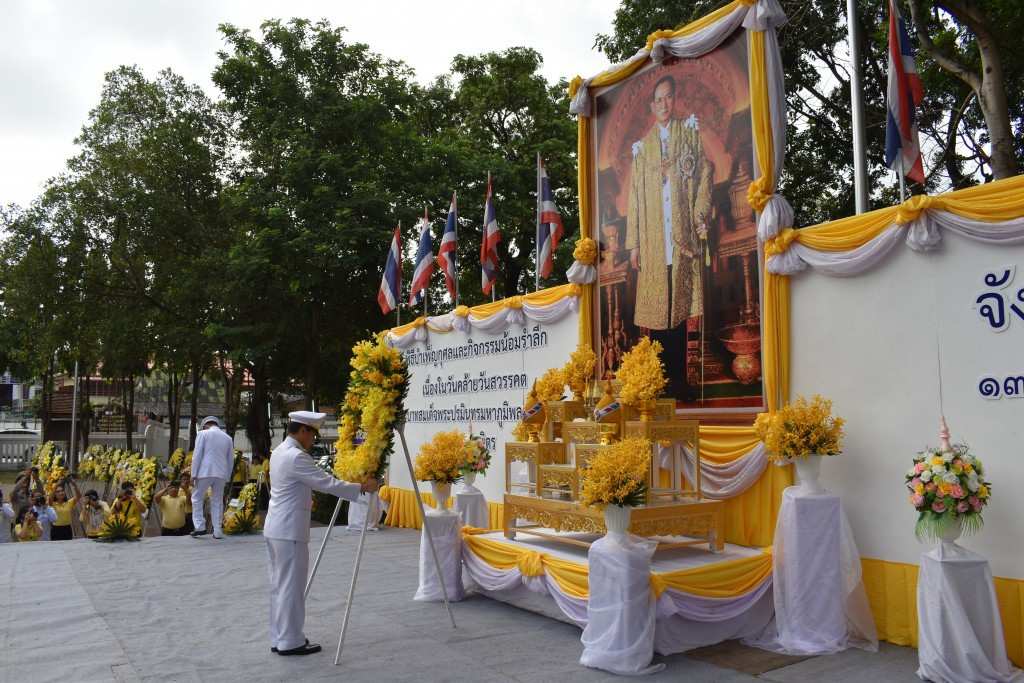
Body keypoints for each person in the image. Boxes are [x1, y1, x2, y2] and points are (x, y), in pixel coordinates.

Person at [625, 74, 713, 395]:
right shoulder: (642, 149)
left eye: (668, 98)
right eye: (658, 100)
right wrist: (633, 244)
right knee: (659, 312)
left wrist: (701, 211)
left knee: (679, 305)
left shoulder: (689, 133)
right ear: (652, 105)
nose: (663, 105)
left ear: (675, 100)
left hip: (681, 238)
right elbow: (634, 198)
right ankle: (661, 381)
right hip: (653, 241)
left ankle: (681, 381)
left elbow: (703, 174)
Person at [264, 411, 378, 656]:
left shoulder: (280, 451)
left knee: (279, 586)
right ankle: (291, 641)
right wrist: (362, 488)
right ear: (303, 431)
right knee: (291, 587)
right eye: (313, 434)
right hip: (289, 530)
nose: (314, 440)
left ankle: (279, 637)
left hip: (276, 528)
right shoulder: (296, 456)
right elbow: (328, 483)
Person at [190, 415, 234, 539]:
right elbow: (230, 460)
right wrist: (227, 478)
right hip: (221, 473)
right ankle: (218, 530)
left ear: (205, 425)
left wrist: (193, 474)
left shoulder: (203, 434)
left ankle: (200, 527)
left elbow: (197, 455)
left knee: (196, 498)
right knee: (217, 501)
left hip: (205, 471)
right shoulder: (227, 438)